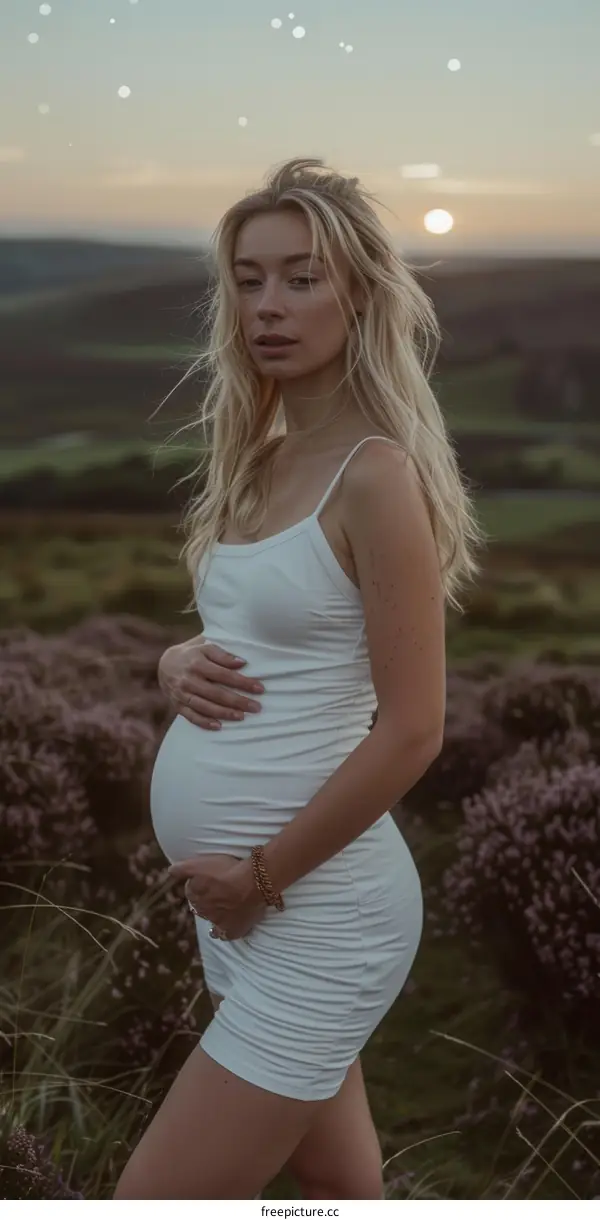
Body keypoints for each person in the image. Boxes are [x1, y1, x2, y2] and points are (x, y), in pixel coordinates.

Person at [114, 157, 480, 1201]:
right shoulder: (262, 456)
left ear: (359, 289)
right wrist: (171, 659)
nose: (269, 305)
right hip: (235, 908)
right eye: (248, 277)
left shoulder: (376, 472)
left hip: (311, 909)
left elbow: (414, 729)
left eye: (303, 277)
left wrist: (263, 875)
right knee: (333, 1190)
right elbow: (251, 630)